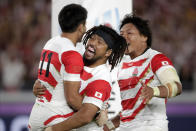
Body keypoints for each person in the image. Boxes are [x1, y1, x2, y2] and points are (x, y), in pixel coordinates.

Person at [33, 25, 127, 131]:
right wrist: (40, 83)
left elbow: (85, 116)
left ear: (108, 52)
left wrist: (53, 129)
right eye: (92, 38)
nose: (92, 43)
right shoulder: (74, 59)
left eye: (99, 42)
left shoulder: (101, 78)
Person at [103, 14, 182, 131]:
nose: (124, 37)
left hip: (151, 127)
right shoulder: (122, 66)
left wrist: (153, 91)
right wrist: (106, 127)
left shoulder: (156, 59)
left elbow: (177, 87)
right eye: (121, 34)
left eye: (129, 33)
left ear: (144, 37)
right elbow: (128, 111)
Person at [28, 4, 87, 131]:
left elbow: (44, 80)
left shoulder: (51, 42)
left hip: (38, 114)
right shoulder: (71, 53)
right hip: (56, 119)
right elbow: (72, 99)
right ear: (81, 27)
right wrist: (93, 111)